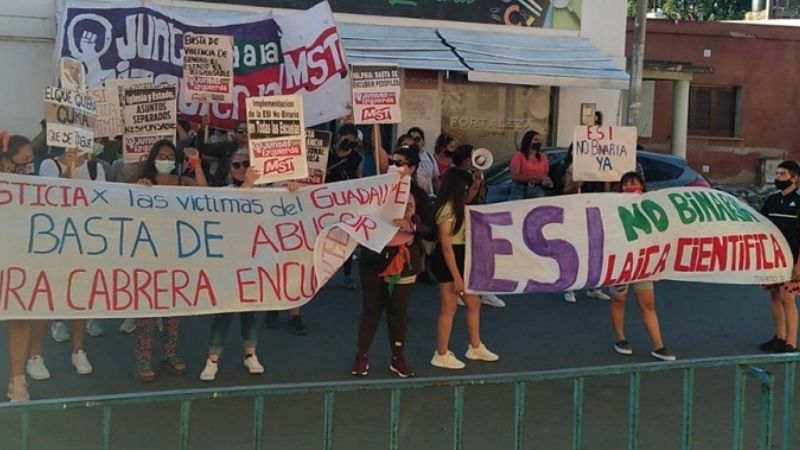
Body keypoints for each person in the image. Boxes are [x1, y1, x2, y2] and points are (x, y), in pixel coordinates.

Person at [352, 146, 432, 378]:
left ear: (413, 168)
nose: (395, 167)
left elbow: (430, 227)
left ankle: (398, 357)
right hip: (373, 256)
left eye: (401, 163)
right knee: (371, 309)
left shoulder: (418, 194)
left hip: (404, 257)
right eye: (393, 162)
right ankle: (361, 356)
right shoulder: (376, 189)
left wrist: (412, 225)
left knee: (398, 310)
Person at [132, 140, 207, 382]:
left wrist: (196, 164)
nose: (165, 160)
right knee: (146, 313)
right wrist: (137, 190)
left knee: (173, 312)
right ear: (153, 158)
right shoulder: (143, 184)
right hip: (147, 256)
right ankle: (143, 360)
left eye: (169, 156)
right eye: (161, 155)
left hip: (175, 256)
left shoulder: (183, 183)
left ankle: (170, 355)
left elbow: (205, 195)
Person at [38, 147, 109, 376]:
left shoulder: (95, 167)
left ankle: (78, 350)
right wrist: (67, 171)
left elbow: (100, 201)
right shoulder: (49, 166)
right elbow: (51, 196)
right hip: (55, 238)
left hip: (85, 239)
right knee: (51, 289)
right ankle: (48, 336)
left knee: (79, 292)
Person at [200, 153, 265, 381]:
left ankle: (251, 354)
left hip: (254, 262)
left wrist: (293, 190)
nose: (241, 168)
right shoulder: (225, 193)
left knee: (251, 312)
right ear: (229, 170)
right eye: (236, 165)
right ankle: (212, 359)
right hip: (228, 263)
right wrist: (247, 185)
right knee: (224, 313)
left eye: (246, 163)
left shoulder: (268, 194)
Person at [430, 167, 499, 369]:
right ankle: (441, 353)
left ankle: (476, 346)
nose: (468, 189)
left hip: (460, 256)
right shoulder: (446, 210)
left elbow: (468, 199)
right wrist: (457, 277)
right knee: (449, 307)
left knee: (474, 303)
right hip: (448, 260)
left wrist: (478, 182)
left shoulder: (456, 205)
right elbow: (446, 247)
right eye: (466, 186)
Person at [610, 172, 675, 362]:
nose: (629, 186)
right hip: (620, 260)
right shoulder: (612, 205)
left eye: (633, 183)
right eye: (625, 183)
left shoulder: (650, 206)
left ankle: (658, 345)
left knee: (647, 303)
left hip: (643, 262)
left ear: (642, 186)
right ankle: (620, 338)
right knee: (618, 300)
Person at [2, 135, 42, 402]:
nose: (30, 166)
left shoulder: (37, 188)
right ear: (6, 163)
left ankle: (18, 382)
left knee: (19, 317)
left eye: (32, 160)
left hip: (18, 260)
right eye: (25, 161)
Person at [451, 145, 506, 308]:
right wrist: (475, 183)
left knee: (482, 255)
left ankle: (484, 290)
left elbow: (481, 196)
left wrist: (480, 184)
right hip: (463, 219)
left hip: (478, 217)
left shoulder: (474, 175)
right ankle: (459, 291)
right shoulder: (457, 176)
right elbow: (465, 200)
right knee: (464, 256)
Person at [557, 147, 612, 303]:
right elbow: (566, 190)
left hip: (596, 212)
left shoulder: (604, 169)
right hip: (578, 212)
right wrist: (576, 184)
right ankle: (570, 288)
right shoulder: (574, 168)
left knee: (596, 250)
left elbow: (606, 194)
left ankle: (594, 287)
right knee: (577, 250)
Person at [759, 160, 800, 353]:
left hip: (794, 258)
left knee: (788, 297)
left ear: (795, 178)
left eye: (782, 174)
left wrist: (798, 265)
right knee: (775, 296)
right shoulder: (772, 201)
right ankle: (780, 337)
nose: (777, 178)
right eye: (776, 174)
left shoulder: (798, 202)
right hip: (775, 258)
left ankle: (791, 343)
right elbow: (762, 225)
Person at [326, 124, 364, 290]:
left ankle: (348, 275)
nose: (349, 142)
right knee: (324, 239)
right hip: (323, 201)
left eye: (353, 140)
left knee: (346, 239)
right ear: (339, 137)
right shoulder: (326, 153)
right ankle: (322, 275)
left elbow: (358, 178)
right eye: (346, 139)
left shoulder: (357, 158)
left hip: (345, 202)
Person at [509, 130, 551, 200]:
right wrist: (537, 177)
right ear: (528, 141)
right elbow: (514, 176)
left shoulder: (543, 157)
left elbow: (545, 175)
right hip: (520, 189)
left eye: (540, 140)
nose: (538, 142)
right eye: (535, 140)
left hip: (537, 189)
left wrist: (546, 181)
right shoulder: (518, 156)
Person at [407, 127, 439, 197]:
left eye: (417, 139)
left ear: (423, 142)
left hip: (428, 198)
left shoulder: (429, 157)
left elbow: (435, 180)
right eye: (411, 139)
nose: (414, 142)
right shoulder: (405, 157)